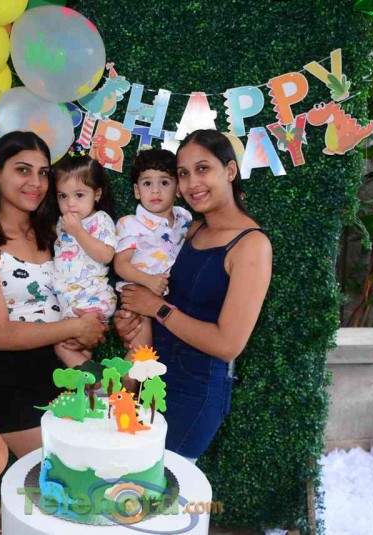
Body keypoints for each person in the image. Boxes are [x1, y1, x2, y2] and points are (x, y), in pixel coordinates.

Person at [116, 129, 272, 462]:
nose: (192, 183)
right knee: (126, 479)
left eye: (203, 169)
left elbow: (228, 345)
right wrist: (131, 319)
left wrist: (157, 309)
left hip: (193, 394)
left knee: (160, 487)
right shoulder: (191, 229)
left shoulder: (251, 245)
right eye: (183, 173)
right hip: (150, 378)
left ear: (230, 171)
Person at [0, 131, 108, 458]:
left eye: (43, 173)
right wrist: (75, 327)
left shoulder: (56, 235)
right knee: (56, 481)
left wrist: (99, 323)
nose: (36, 182)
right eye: (23, 170)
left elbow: (85, 286)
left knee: (95, 473)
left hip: (72, 371)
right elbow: (0, 335)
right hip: (20, 384)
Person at [113, 148, 192, 369]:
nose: (155, 190)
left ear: (178, 189)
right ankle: (112, 386)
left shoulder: (184, 219)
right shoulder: (130, 223)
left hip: (166, 298)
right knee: (142, 352)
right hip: (136, 293)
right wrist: (148, 281)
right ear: (137, 191)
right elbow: (120, 265)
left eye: (164, 182)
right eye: (147, 183)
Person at [51, 144, 117, 367]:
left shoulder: (101, 220)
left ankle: (96, 382)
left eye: (79, 195)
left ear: (96, 194)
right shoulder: (61, 223)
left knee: (61, 345)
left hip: (92, 299)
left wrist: (78, 231)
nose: (70, 203)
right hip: (69, 301)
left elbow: (106, 255)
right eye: (63, 196)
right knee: (77, 350)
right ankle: (89, 384)